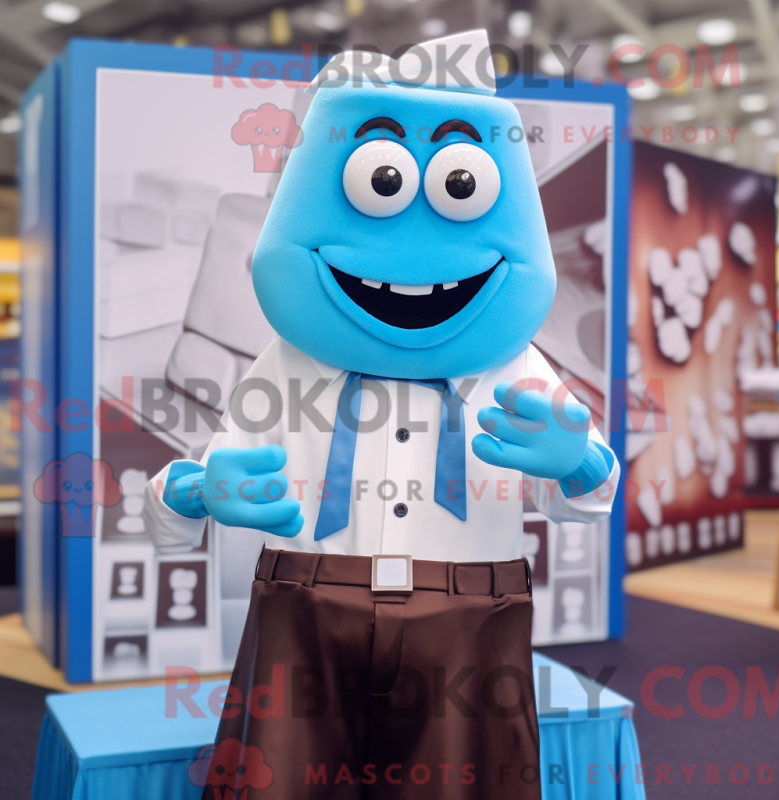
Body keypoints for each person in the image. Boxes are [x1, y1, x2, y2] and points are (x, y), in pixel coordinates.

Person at [144, 29, 618, 799]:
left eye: (460, 186)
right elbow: (200, 483)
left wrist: (581, 465)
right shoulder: (289, 362)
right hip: (305, 604)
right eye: (381, 183)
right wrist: (194, 493)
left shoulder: (512, 366)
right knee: (282, 782)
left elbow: (585, 500)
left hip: (470, 613)